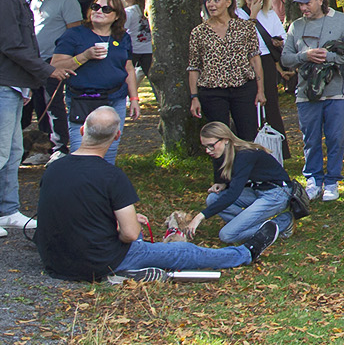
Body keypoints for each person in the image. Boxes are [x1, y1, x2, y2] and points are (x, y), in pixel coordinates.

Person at [34, 108, 272, 281]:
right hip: (99, 262)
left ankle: (131, 271)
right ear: (117, 136)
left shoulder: (54, 167)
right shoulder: (112, 175)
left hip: (55, 262)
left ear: (83, 129)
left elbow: (66, 208)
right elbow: (129, 234)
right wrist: (123, 225)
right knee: (181, 252)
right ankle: (243, 253)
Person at [3, 0, 82, 225]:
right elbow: (12, 46)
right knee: (2, 151)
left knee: (13, 152)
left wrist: (27, 83)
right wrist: (47, 70)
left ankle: (8, 210)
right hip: (4, 84)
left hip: (14, 85)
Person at [281, 0, 344, 202]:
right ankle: (313, 179)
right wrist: (304, 56)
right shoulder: (296, 26)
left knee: (336, 138)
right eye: (300, 4)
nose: (303, 8)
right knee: (311, 138)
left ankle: (332, 181)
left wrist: (330, 58)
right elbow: (285, 58)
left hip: (337, 92)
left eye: (308, 3)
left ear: (320, 0)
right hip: (306, 93)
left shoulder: (342, 21)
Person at [53, 0, 137, 164]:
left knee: (110, 150)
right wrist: (84, 56)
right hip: (82, 99)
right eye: (95, 7)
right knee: (80, 150)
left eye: (106, 9)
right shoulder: (74, 34)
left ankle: (101, 188)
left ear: (116, 16)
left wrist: (134, 98)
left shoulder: (122, 37)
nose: (99, 11)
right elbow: (55, 66)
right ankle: (79, 188)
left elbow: (128, 68)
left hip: (115, 99)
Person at [189, 121, 295, 246]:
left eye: (211, 145)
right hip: (258, 190)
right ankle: (246, 225)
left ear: (226, 140)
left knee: (227, 235)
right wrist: (223, 184)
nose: (208, 150)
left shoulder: (245, 155)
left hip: (277, 194)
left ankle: (284, 222)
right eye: (205, 146)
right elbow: (230, 178)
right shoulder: (224, 152)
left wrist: (200, 216)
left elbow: (233, 193)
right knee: (213, 198)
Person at [186, 0, 267, 141]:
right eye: (208, 0)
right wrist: (194, 96)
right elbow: (194, 66)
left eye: (216, 0)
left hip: (243, 88)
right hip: (212, 91)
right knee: (219, 138)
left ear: (228, 2)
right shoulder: (199, 32)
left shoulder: (244, 27)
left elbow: (255, 60)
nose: (211, 4)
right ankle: (223, 166)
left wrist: (260, 90)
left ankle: (245, 165)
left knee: (248, 136)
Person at [237, 0, 291, 143]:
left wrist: (277, 41)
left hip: (267, 61)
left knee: (270, 102)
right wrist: (252, 16)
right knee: (247, 103)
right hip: (245, 63)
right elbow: (243, 40)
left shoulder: (269, 14)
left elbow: (282, 36)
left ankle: (274, 143)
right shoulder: (237, 14)